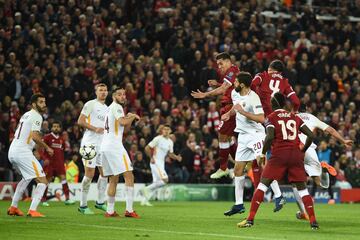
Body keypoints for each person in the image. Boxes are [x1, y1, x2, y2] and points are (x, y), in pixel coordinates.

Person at [238, 93, 319, 230]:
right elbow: (311, 135)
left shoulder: (271, 117)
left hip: (279, 155)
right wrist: (303, 149)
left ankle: (250, 219)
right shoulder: (294, 117)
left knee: (263, 186)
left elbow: (269, 137)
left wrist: (263, 153)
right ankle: (313, 222)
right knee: (303, 190)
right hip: (295, 155)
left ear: (273, 103)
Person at [221, 72, 285, 216]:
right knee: (238, 169)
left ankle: (279, 196)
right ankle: (238, 204)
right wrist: (229, 114)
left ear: (242, 84)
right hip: (243, 136)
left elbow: (262, 118)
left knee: (263, 164)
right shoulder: (234, 93)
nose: (234, 84)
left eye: (236, 82)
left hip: (256, 135)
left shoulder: (253, 98)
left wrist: (243, 113)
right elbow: (236, 107)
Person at [294, 104, 353, 219]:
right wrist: (343, 141)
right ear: (307, 110)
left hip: (296, 148)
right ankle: (324, 170)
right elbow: (330, 130)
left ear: (296, 109)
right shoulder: (312, 118)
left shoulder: (291, 117)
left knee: (295, 182)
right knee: (321, 184)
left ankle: (302, 211)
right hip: (310, 150)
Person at [191, 52, 239, 179]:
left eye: (221, 63)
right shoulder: (231, 74)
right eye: (218, 65)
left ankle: (223, 168)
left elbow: (224, 90)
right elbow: (229, 87)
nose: (219, 67)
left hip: (230, 107)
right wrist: (217, 84)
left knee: (223, 136)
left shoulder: (232, 71)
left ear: (228, 61)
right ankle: (239, 164)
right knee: (227, 138)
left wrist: (205, 94)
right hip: (227, 106)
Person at [7, 93, 54, 217]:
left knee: (27, 178)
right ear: (34, 104)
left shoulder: (26, 114)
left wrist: (35, 149)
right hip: (22, 152)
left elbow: (26, 134)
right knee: (43, 180)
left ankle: (13, 207)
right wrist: (47, 147)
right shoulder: (37, 116)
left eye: (44, 102)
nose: (44, 104)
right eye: (41, 102)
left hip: (13, 151)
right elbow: (34, 136)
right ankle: (33, 210)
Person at [100, 86, 140, 218]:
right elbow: (122, 122)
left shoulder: (110, 108)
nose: (123, 96)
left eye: (124, 94)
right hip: (115, 146)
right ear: (114, 97)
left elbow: (121, 126)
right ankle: (129, 210)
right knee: (129, 175)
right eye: (119, 94)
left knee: (113, 178)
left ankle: (110, 211)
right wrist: (132, 116)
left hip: (105, 146)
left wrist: (128, 117)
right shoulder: (117, 107)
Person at [77, 83, 109, 214]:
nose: (103, 92)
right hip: (89, 144)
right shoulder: (90, 104)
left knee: (105, 173)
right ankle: (83, 205)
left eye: (105, 90)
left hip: (102, 144)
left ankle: (100, 202)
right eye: (100, 90)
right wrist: (95, 128)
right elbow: (80, 121)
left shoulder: (107, 108)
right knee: (89, 174)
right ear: (96, 92)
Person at [140, 125, 182, 206]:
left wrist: (176, 157)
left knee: (156, 183)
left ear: (170, 131)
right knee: (165, 180)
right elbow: (147, 148)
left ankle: (144, 201)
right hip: (155, 162)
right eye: (164, 129)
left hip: (161, 163)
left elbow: (170, 154)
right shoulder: (158, 139)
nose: (166, 131)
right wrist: (151, 157)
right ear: (162, 131)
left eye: (167, 129)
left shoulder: (170, 142)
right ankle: (145, 189)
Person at [41, 121, 75, 206]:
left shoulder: (61, 140)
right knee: (47, 180)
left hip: (59, 164)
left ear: (60, 128)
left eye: (57, 126)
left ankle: (67, 199)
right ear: (51, 128)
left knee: (64, 179)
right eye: (54, 126)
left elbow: (62, 151)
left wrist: (63, 160)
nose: (56, 128)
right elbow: (41, 150)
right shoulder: (47, 137)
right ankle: (43, 199)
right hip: (50, 164)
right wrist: (45, 159)